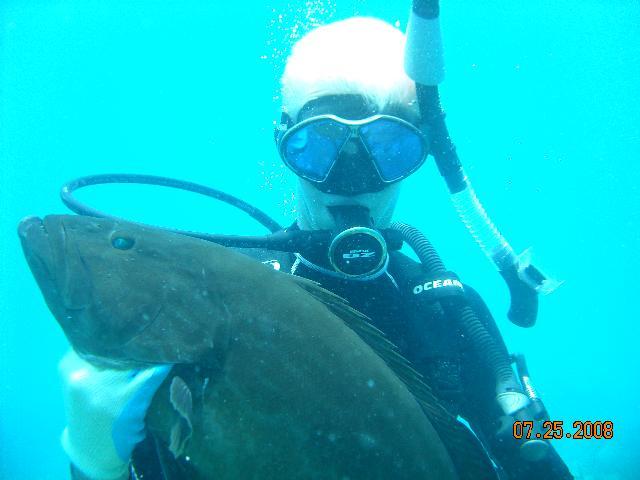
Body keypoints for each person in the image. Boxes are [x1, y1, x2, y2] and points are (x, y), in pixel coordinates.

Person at [59, 15, 573, 480]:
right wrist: (94, 461)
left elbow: (543, 452)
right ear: (283, 147)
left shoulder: (447, 308)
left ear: (422, 155)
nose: (351, 181)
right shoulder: (211, 306)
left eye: (390, 151)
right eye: (319, 148)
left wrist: (578, 429)